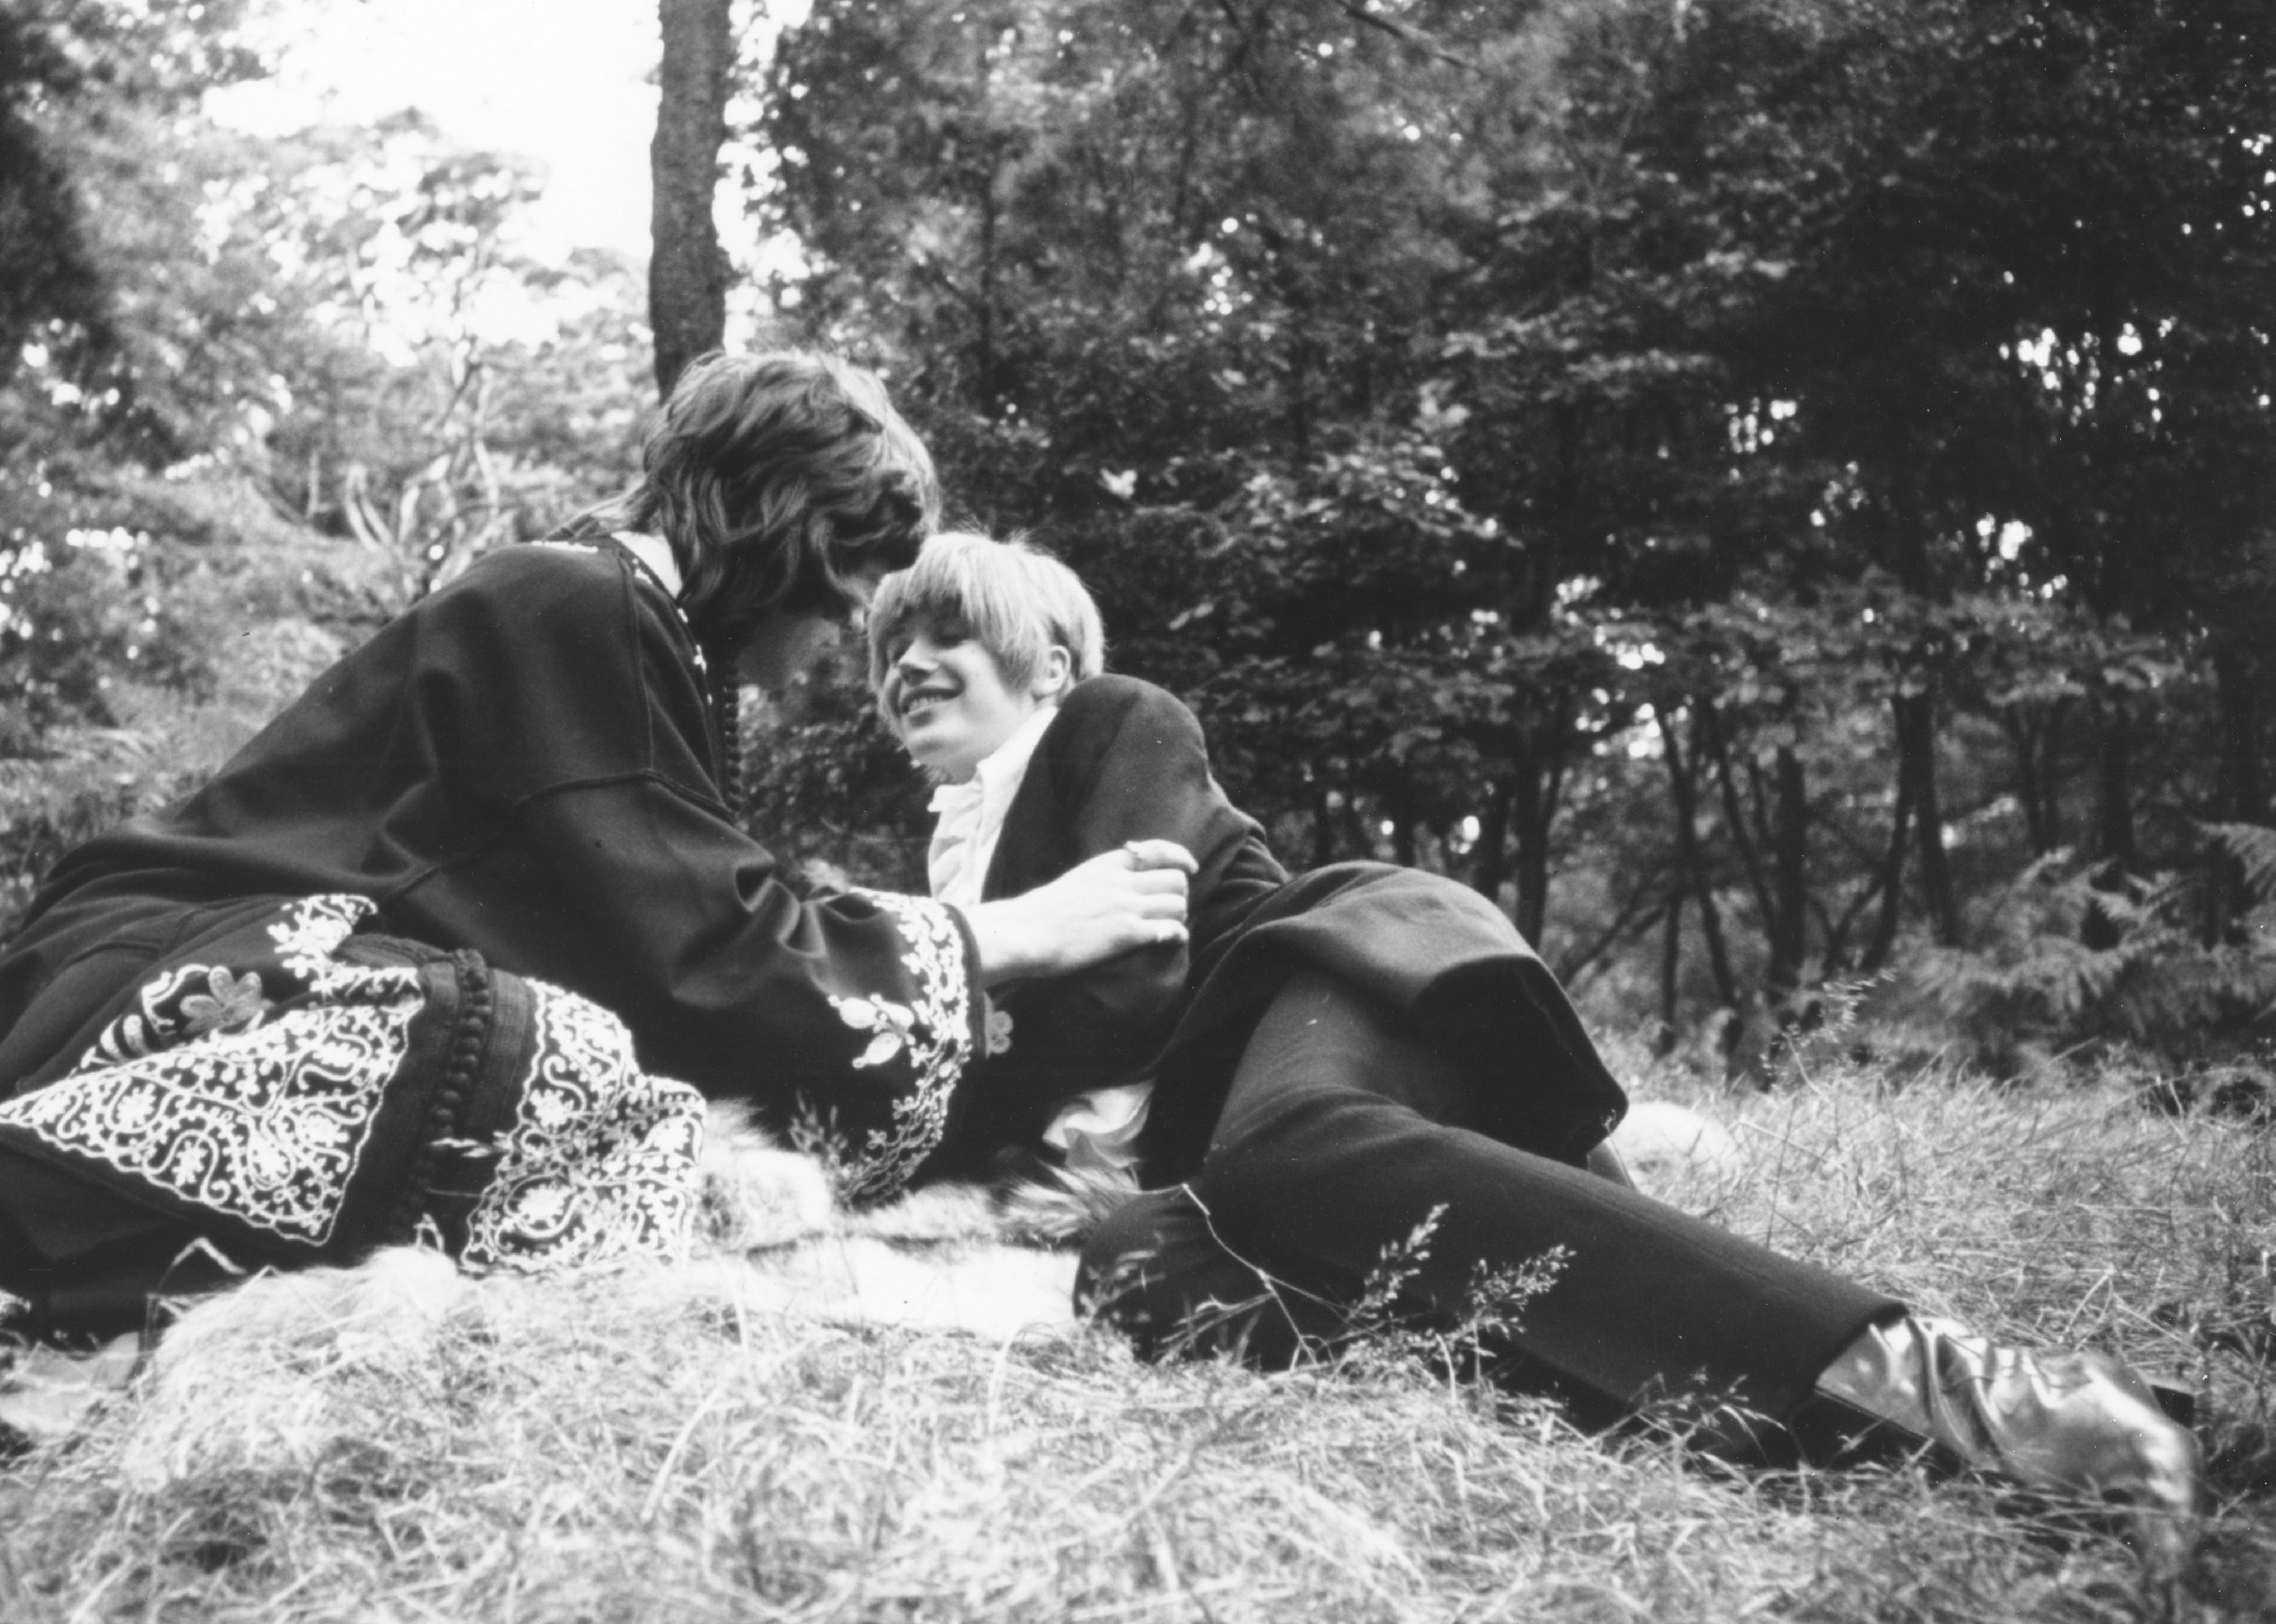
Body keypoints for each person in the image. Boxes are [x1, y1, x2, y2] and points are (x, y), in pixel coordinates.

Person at [0, 357, 1198, 1404]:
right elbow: (701, 941)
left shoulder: (621, 635)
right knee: (521, 1060)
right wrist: (1004, 935)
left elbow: (670, 931)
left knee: (608, 1120)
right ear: (774, 526)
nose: (840, 633)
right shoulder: (579, 604)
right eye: (844, 578)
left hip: (209, 1000)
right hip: (166, 980)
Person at [867, 532, 2200, 1552]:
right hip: (1245, 1142)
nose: (907, 663)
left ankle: (1994, 1397)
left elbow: (1134, 977)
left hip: (1343, 972)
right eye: (888, 648)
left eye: (948, 631)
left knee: (1282, 1153)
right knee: (1131, 1267)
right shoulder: (947, 867)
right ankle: (1847, 1443)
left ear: (1047, 662)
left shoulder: (1111, 723)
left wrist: (960, 1010)